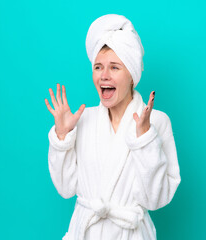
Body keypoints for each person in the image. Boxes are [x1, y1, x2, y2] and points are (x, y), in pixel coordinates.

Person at [44, 14, 181, 240]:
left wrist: (145, 139)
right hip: (85, 233)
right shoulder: (82, 120)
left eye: (114, 67)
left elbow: (155, 200)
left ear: (132, 76)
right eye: (98, 67)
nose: (104, 76)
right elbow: (65, 188)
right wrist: (62, 136)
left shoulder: (157, 122)